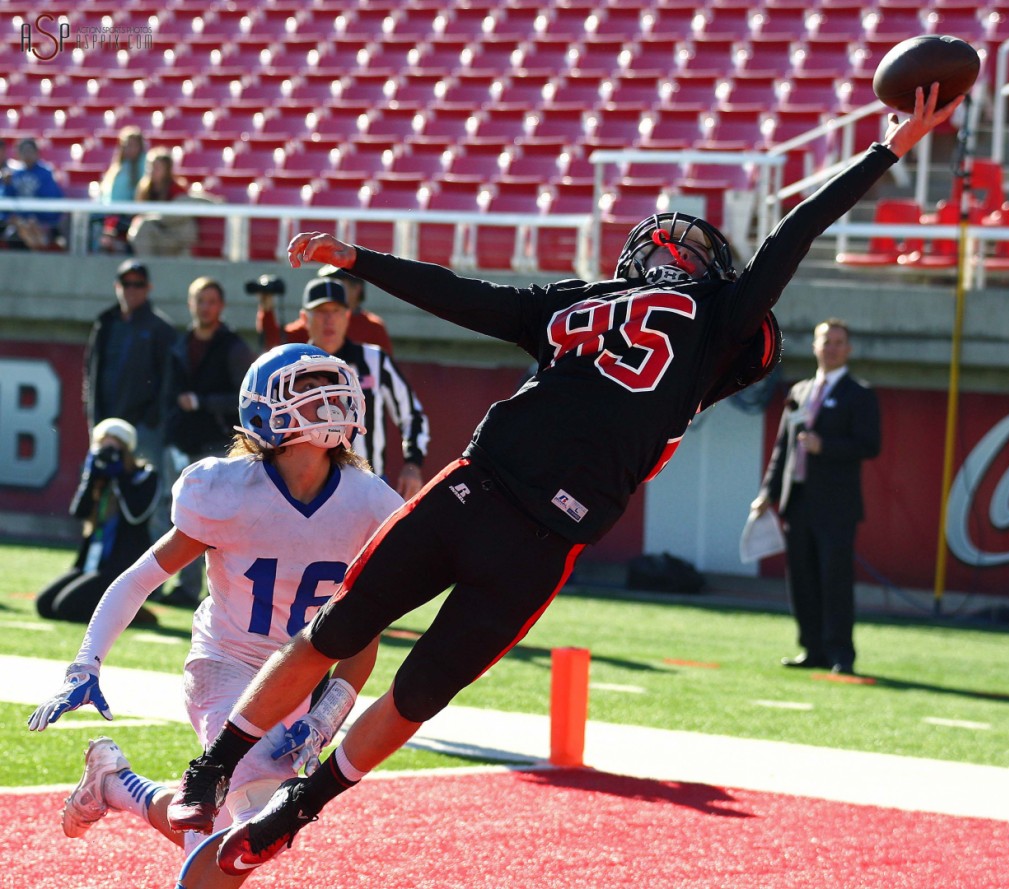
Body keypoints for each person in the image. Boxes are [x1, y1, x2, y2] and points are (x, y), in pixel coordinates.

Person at [142, 87, 961, 875]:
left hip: (482, 489)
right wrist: (888, 147)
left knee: (345, 633)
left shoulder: (590, 301)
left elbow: (465, 296)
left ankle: (228, 774)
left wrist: (360, 257)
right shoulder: (714, 321)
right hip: (531, 531)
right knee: (398, 678)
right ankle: (278, 802)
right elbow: (796, 230)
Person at [27, 343, 404, 889]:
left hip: (299, 679)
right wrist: (85, 665)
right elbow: (139, 578)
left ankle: (115, 785)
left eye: (330, 386)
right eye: (304, 388)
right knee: (255, 814)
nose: (325, 400)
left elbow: (363, 627)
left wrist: (328, 714)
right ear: (261, 408)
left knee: (224, 824)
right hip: (224, 662)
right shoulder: (227, 488)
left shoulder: (371, 502)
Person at [750, 319, 880, 675]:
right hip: (799, 501)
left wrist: (827, 446)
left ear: (848, 349)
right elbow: (782, 449)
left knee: (835, 581)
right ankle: (813, 649)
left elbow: (871, 445)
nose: (832, 347)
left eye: (839, 342)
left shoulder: (860, 393)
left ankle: (842, 654)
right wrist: (767, 494)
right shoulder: (800, 392)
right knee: (803, 580)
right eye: (826, 341)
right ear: (815, 346)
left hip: (836, 507)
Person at [267, 276, 428, 499]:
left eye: (336, 311)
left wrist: (413, 463)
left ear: (347, 316)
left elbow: (412, 415)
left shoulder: (375, 360)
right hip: (304, 491)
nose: (329, 320)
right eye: (321, 312)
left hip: (368, 486)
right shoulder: (290, 367)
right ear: (304, 318)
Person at [160, 276, 255, 608]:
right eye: (200, 300)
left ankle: (225, 593)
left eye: (211, 301)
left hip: (219, 446)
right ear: (191, 304)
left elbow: (246, 399)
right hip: (182, 443)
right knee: (179, 518)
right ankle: (185, 588)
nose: (205, 307)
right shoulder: (180, 344)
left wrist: (202, 402)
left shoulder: (233, 346)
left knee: (220, 524)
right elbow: (168, 395)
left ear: (222, 306)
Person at [35, 418, 160, 623]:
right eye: (103, 444)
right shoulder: (99, 476)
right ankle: (121, 609)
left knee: (68, 608)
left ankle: (133, 614)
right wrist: (90, 477)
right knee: (45, 605)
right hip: (92, 563)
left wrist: (120, 476)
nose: (107, 451)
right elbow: (79, 513)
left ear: (126, 448)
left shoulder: (144, 476)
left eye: (114, 445)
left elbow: (136, 515)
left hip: (120, 568)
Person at [83, 259, 177, 468]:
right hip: (105, 427)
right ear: (117, 286)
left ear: (148, 288)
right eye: (126, 284)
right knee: (100, 488)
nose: (131, 290)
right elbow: (91, 371)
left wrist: (152, 421)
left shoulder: (161, 329)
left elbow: (169, 381)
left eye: (138, 284)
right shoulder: (105, 323)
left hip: (143, 429)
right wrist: (92, 415)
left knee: (142, 490)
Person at [257, 266, 394, 354]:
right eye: (322, 310)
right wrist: (267, 308)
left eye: (336, 283)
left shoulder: (373, 328)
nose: (328, 289)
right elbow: (274, 343)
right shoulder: (314, 322)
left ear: (357, 288)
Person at [127, 148, 197, 257]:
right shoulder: (144, 189)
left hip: (172, 236)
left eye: (157, 168)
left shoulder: (177, 190)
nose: (151, 171)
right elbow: (139, 214)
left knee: (145, 227)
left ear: (167, 170)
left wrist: (153, 218)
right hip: (152, 235)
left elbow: (175, 219)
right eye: (150, 167)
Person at [1, 137, 65, 250]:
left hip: (42, 221)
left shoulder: (46, 173)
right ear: (18, 154)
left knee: (31, 227)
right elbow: (6, 203)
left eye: (30, 151)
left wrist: (36, 218)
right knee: (23, 227)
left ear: (37, 153)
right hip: (19, 223)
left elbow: (51, 200)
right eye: (23, 151)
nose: (27, 155)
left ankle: (39, 250)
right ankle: (40, 250)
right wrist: (7, 185)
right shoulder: (14, 174)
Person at [96, 126, 147, 254]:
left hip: (129, 215)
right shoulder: (117, 167)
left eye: (132, 145)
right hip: (111, 214)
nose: (128, 149)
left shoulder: (144, 166)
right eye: (125, 145)